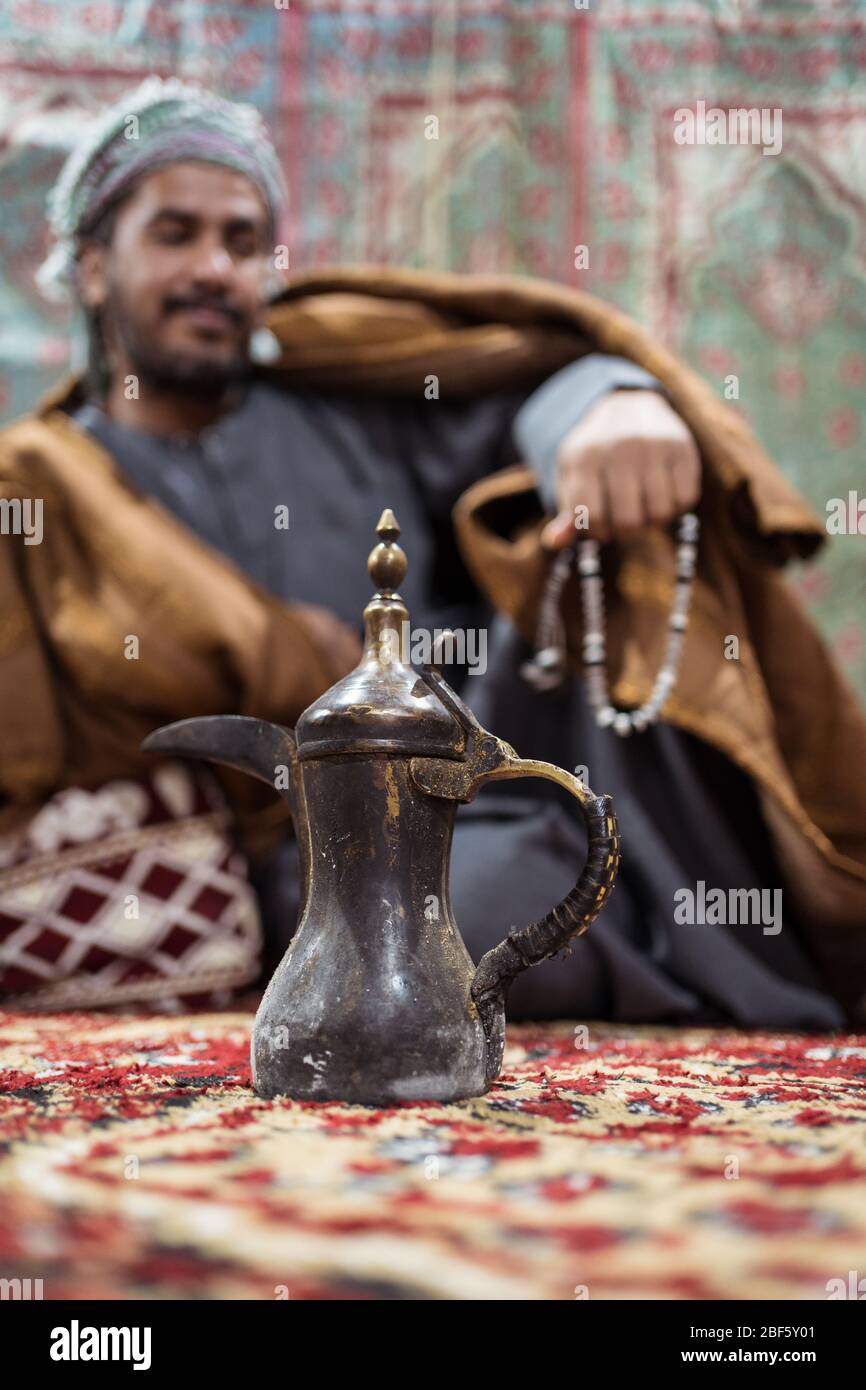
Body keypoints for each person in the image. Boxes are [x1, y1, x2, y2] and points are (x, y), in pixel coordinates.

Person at [2, 79, 865, 1025]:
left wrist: (609, 409)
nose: (215, 268)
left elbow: (525, 382)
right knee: (461, 925)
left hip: (507, 780)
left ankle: (737, 963)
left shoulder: (357, 401)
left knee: (620, 591)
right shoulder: (48, 486)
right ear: (89, 267)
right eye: (176, 235)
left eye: (243, 242)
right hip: (308, 859)